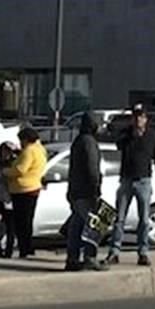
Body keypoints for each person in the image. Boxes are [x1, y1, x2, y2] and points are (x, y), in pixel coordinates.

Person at [105, 107, 155, 266]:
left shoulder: (152, 136)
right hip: (127, 180)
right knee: (120, 218)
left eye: (141, 117)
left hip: (143, 180)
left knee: (144, 219)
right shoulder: (127, 134)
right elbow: (118, 143)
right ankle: (114, 252)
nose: (138, 121)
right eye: (136, 118)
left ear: (146, 119)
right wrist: (130, 134)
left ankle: (143, 252)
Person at [65, 112, 106, 272]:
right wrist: (96, 187)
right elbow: (92, 168)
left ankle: (72, 258)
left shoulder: (78, 141)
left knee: (76, 226)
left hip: (75, 190)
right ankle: (90, 256)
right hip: (86, 191)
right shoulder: (89, 142)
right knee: (94, 225)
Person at [3, 127, 47, 258]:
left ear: (26, 139)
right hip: (34, 186)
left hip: (22, 189)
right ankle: (28, 247)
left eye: (21, 140)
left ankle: (24, 249)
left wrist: (6, 171)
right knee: (28, 220)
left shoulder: (28, 151)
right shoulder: (40, 150)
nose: (20, 143)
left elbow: (21, 169)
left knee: (21, 222)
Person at [0, 142, 18, 258]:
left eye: (7, 151)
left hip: (11, 197)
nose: (4, 154)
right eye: (2, 151)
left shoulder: (15, 164)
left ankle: (9, 250)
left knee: (10, 226)